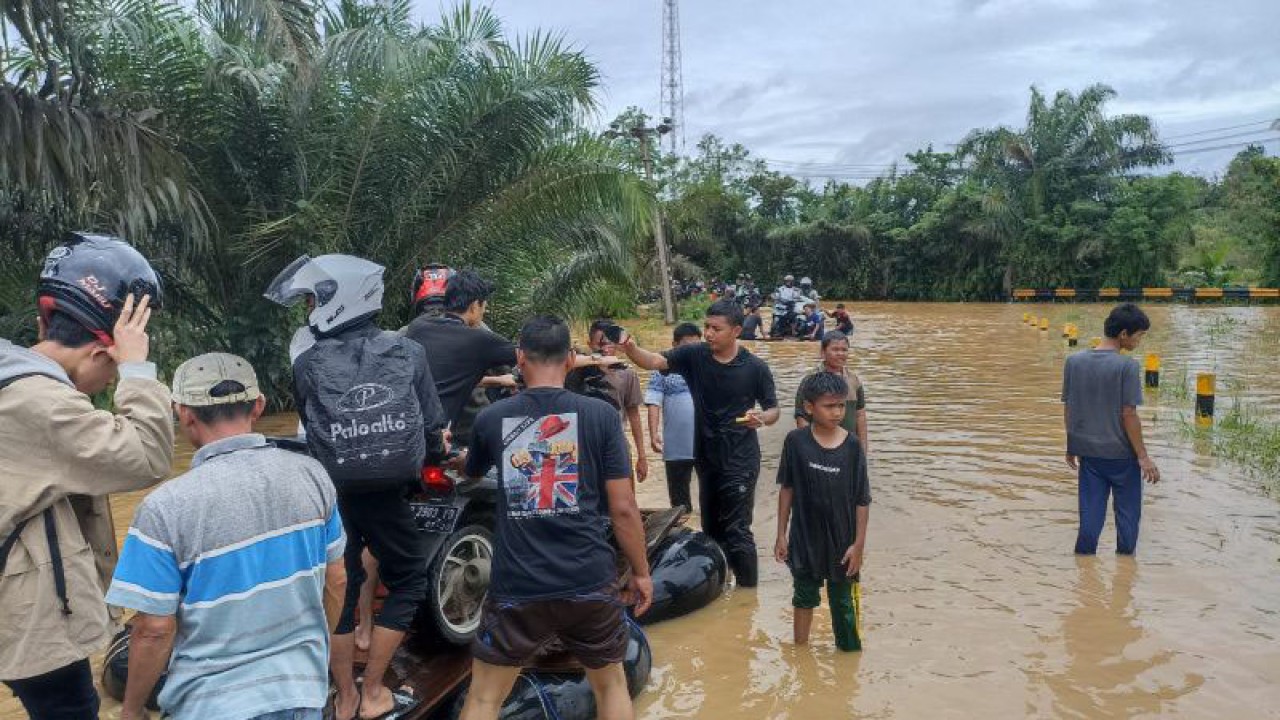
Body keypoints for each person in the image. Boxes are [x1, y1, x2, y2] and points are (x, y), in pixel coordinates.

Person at [106, 353, 347, 720]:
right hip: (302, 695)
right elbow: (337, 581)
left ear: (182, 413)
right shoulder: (313, 476)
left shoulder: (164, 508)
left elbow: (154, 629)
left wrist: (131, 710)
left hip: (210, 705)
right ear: (259, 405)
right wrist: (311, 656)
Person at [0, 233, 174, 720]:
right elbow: (149, 455)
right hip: (30, 618)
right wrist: (138, 370)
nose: (109, 384)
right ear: (102, 355)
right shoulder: (40, 403)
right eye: (113, 372)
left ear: (42, 322)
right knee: (71, 708)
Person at [267, 254, 447, 720]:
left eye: (313, 299)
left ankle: (344, 696)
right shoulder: (410, 351)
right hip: (391, 494)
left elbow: (312, 425)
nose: (310, 308)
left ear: (337, 299)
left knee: (340, 591)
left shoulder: (306, 361)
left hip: (334, 495)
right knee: (409, 578)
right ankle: (373, 691)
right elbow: (431, 424)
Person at [458, 316, 653, 720]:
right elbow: (623, 506)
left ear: (519, 358)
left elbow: (471, 472)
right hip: (587, 578)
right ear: (570, 359)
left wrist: (460, 456)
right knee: (612, 686)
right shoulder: (599, 416)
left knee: (482, 699)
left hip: (517, 584)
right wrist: (641, 571)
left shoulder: (492, 419)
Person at [618, 299, 780, 587]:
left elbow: (773, 409)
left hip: (740, 458)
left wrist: (762, 419)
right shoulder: (694, 356)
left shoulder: (755, 368)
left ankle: (747, 598)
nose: (708, 333)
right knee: (711, 527)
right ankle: (718, 592)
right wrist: (630, 348)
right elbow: (653, 361)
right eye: (707, 326)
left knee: (738, 529)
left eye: (716, 329)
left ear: (736, 331)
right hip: (706, 457)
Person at [774, 372, 870, 652]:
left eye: (841, 406)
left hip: (843, 541)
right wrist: (781, 534)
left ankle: (849, 661)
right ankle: (800, 655)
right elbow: (787, 489)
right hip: (804, 538)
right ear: (809, 407)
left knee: (843, 604)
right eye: (829, 406)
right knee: (803, 598)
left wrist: (859, 545)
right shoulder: (796, 442)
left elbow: (862, 499)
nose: (837, 412)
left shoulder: (852, 446)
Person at [1062, 303, 1161, 556]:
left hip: (1089, 456)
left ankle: (1084, 579)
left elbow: (1069, 408)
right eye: (1139, 335)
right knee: (1127, 525)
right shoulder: (1127, 367)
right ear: (1123, 335)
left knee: (1089, 524)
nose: (1139, 341)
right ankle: (1125, 576)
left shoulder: (1073, 362)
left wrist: (1070, 446)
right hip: (1122, 458)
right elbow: (1128, 414)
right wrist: (1143, 456)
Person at [645, 323, 703, 510]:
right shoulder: (662, 369)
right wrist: (653, 434)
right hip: (676, 446)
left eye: (697, 346)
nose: (692, 351)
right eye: (687, 346)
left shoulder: (708, 366)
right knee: (679, 504)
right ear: (674, 345)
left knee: (713, 498)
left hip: (707, 444)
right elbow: (654, 401)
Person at [588, 320, 649, 483]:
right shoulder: (577, 373)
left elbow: (634, 414)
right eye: (600, 344)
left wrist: (642, 456)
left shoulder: (627, 374)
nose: (606, 349)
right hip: (587, 445)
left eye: (611, 343)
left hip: (617, 441)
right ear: (589, 344)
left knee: (625, 495)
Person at [795, 331, 867, 450]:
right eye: (835, 349)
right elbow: (802, 418)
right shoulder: (810, 381)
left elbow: (860, 416)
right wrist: (808, 450)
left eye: (844, 350)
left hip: (848, 447)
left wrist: (862, 451)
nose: (840, 354)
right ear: (823, 353)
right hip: (819, 447)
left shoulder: (854, 381)